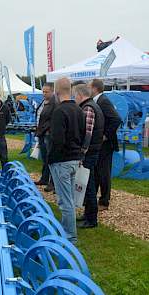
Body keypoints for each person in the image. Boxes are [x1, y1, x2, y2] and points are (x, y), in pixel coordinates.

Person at [49, 77, 86, 244]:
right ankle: (68, 230)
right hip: (74, 158)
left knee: (65, 201)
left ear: (56, 92)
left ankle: (70, 236)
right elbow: (84, 134)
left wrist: (51, 159)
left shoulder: (59, 112)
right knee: (69, 198)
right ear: (70, 91)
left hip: (61, 161)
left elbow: (57, 140)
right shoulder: (79, 110)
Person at [73, 84, 104, 228]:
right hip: (93, 150)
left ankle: (92, 219)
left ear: (80, 95)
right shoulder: (91, 105)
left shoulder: (88, 108)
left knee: (89, 186)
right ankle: (88, 215)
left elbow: (87, 133)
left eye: (74, 95)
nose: (74, 98)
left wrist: (82, 151)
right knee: (87, 184)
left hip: (89, 152)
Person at [90, 79, 122, 210]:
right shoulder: (98, 101)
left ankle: (104, 201)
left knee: (104, 173)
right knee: (97, 171)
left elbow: (116, 119)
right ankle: (94, 199)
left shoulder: (103, 101)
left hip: (106, 145)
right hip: (100, 144)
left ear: (94, 88)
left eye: (88, 87)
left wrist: (105, 135)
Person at [34, 82, 57, 192]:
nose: (44, 93)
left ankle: (52, 182)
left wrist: (47, 130)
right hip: (42, 133)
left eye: (46, 91)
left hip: (48, 134)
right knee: (44, 158)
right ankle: (44, 178)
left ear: (52, 91)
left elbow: (53, 119)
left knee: (51, 159)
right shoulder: (44, 102)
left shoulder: (55, 103)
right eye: (43, 91)